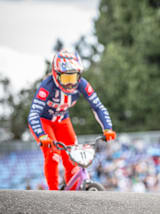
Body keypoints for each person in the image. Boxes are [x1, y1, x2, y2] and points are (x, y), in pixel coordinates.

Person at [27, 50, 116, 190]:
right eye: (66, 79)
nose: (70, 84)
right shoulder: (47, 85)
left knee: (73, 157)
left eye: (73, 78)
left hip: (63, 120)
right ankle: (53, 192)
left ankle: (73, 192)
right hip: (44, 121)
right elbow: (34, 113)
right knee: (53, 155)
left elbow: (97, 106)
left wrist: (107, 128)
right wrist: (41, 135)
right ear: (56, 74)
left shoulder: (82, 84)